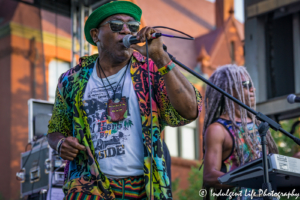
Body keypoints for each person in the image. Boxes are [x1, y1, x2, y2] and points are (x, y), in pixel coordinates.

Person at [47, 1, 202, 199]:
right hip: (90, 187)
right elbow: (54, 130)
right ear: (96, 36)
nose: (126, 31)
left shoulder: (150, 70)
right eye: (116, 25)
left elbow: (190, 111)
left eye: (133, 26)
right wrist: (61, 143)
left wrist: (161, 59)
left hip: (144, 187)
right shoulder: (73, 80)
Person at [202, 65, 278, 200]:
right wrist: (249, 178)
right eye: (245, 85)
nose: (252, 89)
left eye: (251, 84)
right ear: (229, 90)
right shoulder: (218, 129)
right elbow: (209, 177)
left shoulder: (258, 124)